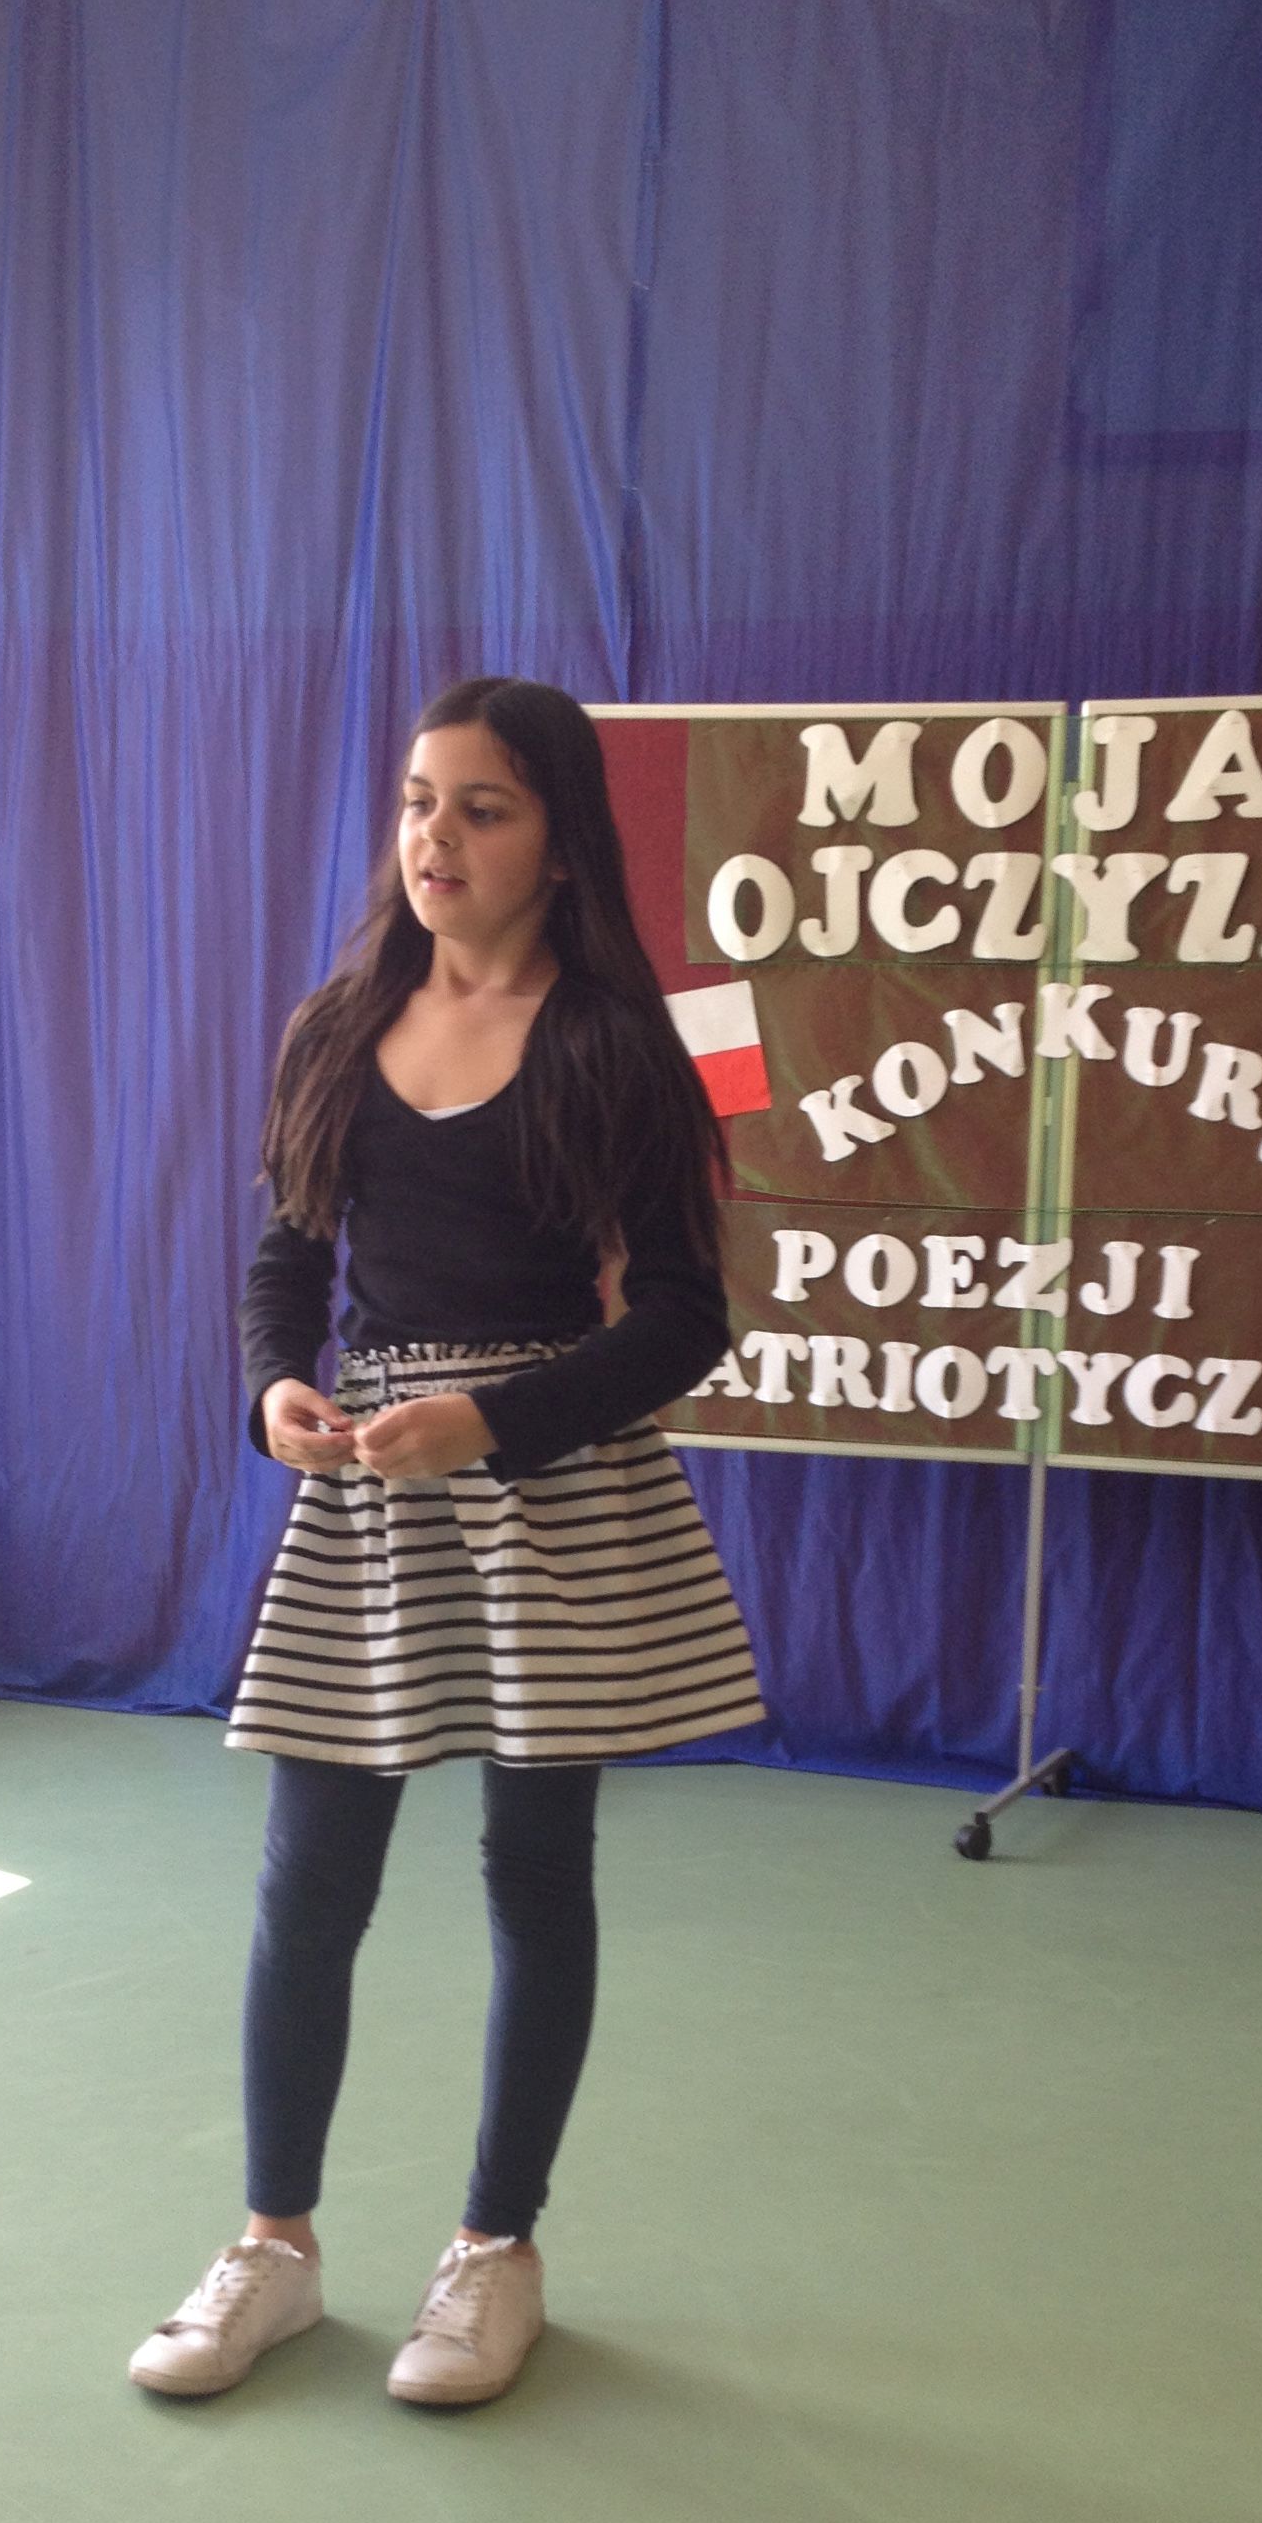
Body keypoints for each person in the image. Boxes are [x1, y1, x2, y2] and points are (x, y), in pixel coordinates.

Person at [131, 678, 763, 2412]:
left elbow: (685, 1318)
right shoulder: (337, 1027)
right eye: (420, 801)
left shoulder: (616, 1045)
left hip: (545, 1491)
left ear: (559, 841)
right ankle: (273, 2247)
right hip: (371, 1500)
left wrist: (495, 1420)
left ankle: (497, 2254)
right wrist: (276, 1385)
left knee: (534, 1875)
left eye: (483, 807)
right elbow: (288, 1259)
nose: (438, 836)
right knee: (309, 1880)